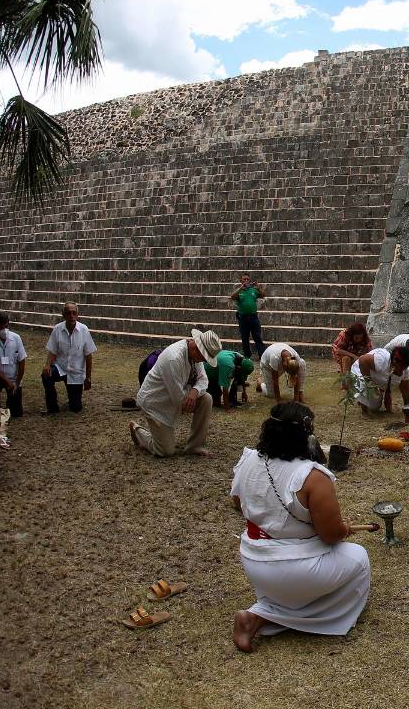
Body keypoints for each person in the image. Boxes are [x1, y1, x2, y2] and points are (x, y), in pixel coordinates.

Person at [231, 402, 371, 652]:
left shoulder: (249, 459)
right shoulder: (313, 476)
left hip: (253, 562)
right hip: (293, 570)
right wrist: (344, 528)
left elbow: (237, 502)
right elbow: (330, 536)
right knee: (359, 558)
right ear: (306, 436)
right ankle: (263, 617)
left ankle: (260, 615)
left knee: (306, 576)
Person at [130, 329, 221, 457]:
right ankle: (138, 432)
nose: (203, 362)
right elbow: (178, 399)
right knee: (165, 451)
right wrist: (189, 397)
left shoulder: (195, 355)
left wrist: (194, 391)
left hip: (177, 396)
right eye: (204, 358)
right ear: (197, 349)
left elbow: (203, 379)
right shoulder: (173, 358)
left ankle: (194, 446)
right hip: (155, 403)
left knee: (206, 399)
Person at [42, 302, 96, 414]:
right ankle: (52, 406)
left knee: (75, 408)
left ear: (77, 315)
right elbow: (52, 350)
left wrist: (88, 377)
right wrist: (47, 365)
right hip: (60, 368)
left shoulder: (84, 330)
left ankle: (73, 399)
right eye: (68, 313)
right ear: (63, 315)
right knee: (46, 376)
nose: (71, 316)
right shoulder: (57, 329)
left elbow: (88, 355)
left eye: (74, 313)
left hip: (76, 372)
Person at [350, 346, 409, 418]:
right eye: (401, 365)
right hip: (360, 370)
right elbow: (362, 360)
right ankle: (364, 410)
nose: (403, 369)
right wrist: (369, 384)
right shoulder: (381, 359)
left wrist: (407, 406)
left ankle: (363, 398)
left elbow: (405, 389)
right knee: (364, 384)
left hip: (375, 377)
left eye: (404, 366)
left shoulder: (406, 371)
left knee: (375, 407)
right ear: (395, 361)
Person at [0, 312, 27, 418]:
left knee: (16, 413)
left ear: (8, 324)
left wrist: (16, 383)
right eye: (0, 326)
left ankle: (11, 401)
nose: (3, 329)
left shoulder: (16, 338)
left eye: (5, 326)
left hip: (14, 378)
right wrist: (6, 380)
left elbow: (22, 362)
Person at [231, 273, 266, 358]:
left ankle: (262, 355)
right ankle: (247, 355)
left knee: (257, 337)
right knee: (245, 338)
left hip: (253, 317)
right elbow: (232, 296)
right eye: (244, 279)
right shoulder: (239, 291)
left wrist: (259, 288)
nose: (246, 281)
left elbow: (263, 295)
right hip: (243, 317)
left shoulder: (253, 290)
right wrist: (240, 288)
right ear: (241, 280)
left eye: (247, 279)